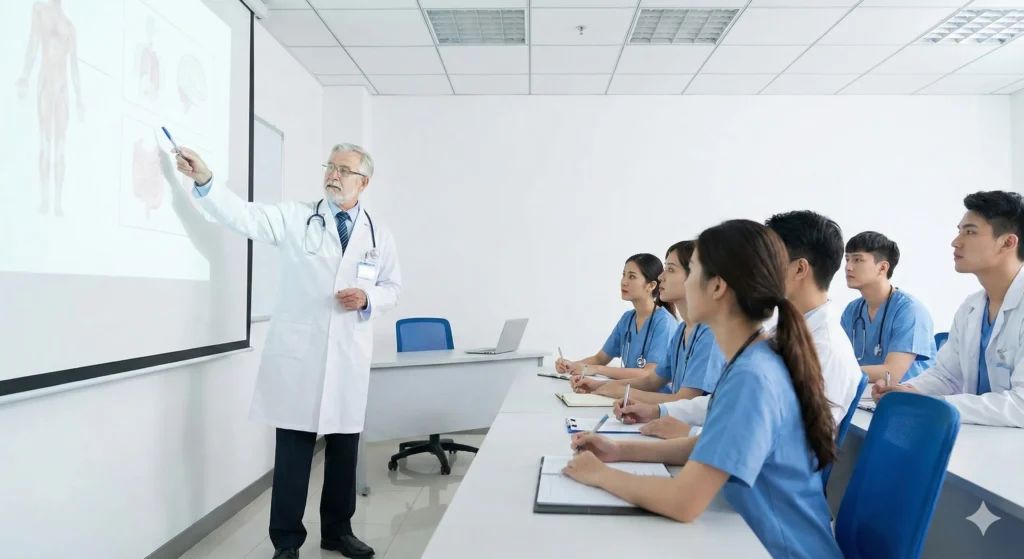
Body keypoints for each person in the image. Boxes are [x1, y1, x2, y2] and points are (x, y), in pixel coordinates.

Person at [564, 220, 841, 559]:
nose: (665, 281)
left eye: (690, 270)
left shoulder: (753, 375)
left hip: (781, 550)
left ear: (717, 287)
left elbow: (684, 502)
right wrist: (618, 450)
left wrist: (600, 474)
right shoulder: (752, 358)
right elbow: (709, 446)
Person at [175, 143, 402, 559]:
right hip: (301, 357)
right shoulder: (296, 217)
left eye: (344, 170)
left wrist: (368, 297)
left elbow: (392, 287)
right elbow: (244, 216)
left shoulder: (377, 233)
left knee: (343, 451)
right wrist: (206, 180)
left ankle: (337, 532)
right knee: (294, 456)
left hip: (348, 357)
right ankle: (286, 542)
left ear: (363, 182)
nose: (333, 174)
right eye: (330, 166)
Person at [618, 211, 863, 440]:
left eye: (770, 259)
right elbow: (732, 402)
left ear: (799, 268)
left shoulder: (825, 348)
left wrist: (691, 433)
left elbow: (786, 442)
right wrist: (659, 411)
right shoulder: (783, 331)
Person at [875, 191, 1024, 427]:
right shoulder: (972, 307)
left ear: (1007, 242)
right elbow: (946, 376)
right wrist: (907, 392)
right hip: (981, 440)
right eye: (959, 230)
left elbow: (1020, 407)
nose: (956, 241)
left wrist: (937, 404)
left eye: (970, 232)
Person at [571, 241, 725, 405]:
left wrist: (622, 392)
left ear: (696, 277)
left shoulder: (709, 333)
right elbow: (652, 380)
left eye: (670, 270)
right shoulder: (682, 330)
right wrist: (601, 385)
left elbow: (685, 401)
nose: (661, 277)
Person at [555, 253, 676, 386]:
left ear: (651, 285)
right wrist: (571, 365)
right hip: (628, 394)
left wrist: (597, 369)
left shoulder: (664, 322)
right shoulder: (627, 319)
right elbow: (600, 358)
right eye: (623, 275)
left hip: (653, 400)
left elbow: (650, 373)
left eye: (632, 277)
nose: (624, 282)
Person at [16, 0, 85, 217]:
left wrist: (79, 97)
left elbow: (73, 65)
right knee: (46, 145)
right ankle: (46, 199)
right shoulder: (39, 11)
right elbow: (33, 45)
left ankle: (57, 202)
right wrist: (25, 76)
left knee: (60, 147)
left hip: (62, 88)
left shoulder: (70, 27)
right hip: (45, 84)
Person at [841, 231, 936, 383]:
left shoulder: (910, 311)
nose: (848, 267)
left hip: (909, 400)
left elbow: (891, 373)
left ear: (883, 268)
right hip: (866, 397)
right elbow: (839, 358)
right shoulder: (852, 311)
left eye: (858, 260)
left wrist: (834, 371)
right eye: (847, 259)